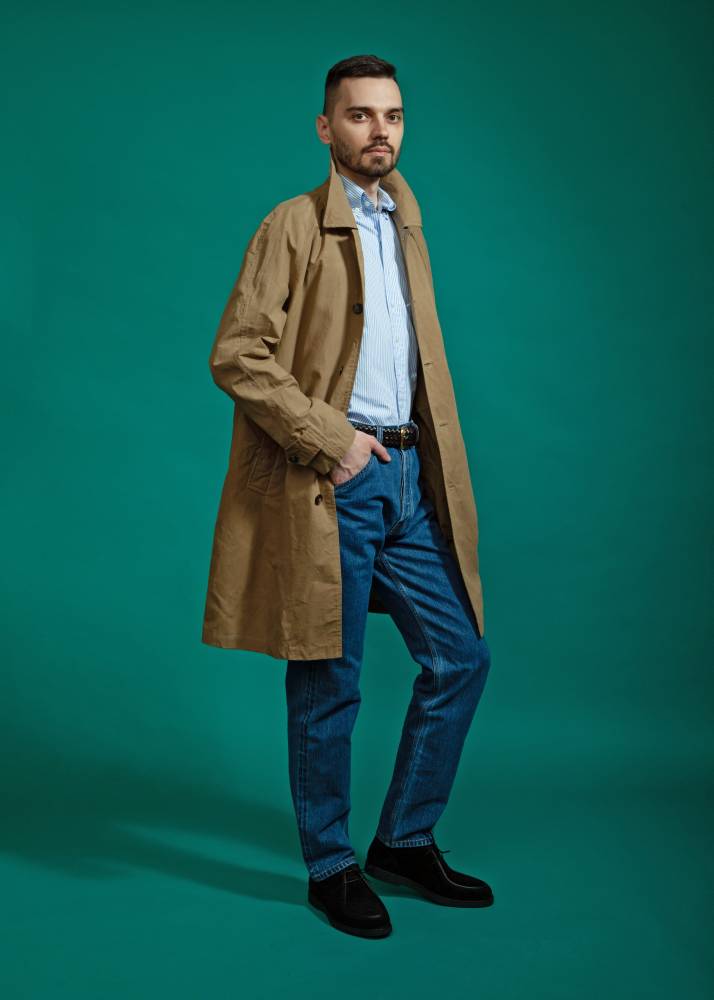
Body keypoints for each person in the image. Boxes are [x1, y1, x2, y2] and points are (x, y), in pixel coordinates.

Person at [202, 54, 493, 939]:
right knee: (330, 680)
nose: (380, 131)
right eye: (361, 116)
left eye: (392, 116)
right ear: (326, 128)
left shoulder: (406, 224)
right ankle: (330, 865)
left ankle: (403, 840)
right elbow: (237, 355)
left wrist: (408, 460)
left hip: (410, 476)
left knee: (461, 658)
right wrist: (333, 444)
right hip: (336, 479)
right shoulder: (291, 225)